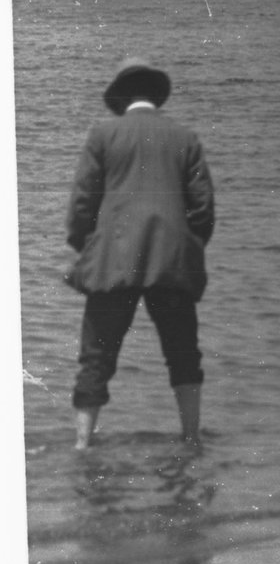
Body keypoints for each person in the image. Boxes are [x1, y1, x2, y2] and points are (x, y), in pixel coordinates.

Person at [65, 58, 215, 450]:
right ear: (155, 95)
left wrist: (87, 249)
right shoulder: (185, 138)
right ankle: (191, 438)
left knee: (96, 358)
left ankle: (82, 446)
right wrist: (186, 247)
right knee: (183, 354)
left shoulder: (103, 135)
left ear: (122, 97)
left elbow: (82, 205)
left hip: (113, 260)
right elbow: (202, 210)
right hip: (171, 262)